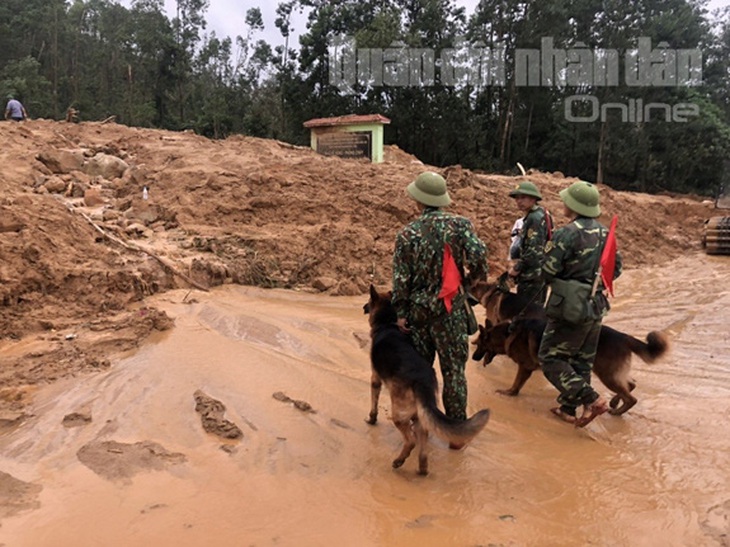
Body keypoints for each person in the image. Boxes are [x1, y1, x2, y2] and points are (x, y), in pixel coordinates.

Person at [392, 171, 488, 427]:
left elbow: (401, 280)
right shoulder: (462, 225)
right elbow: (479, 255)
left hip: (419, 314)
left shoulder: (407, 234)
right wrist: (471, 281)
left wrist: (400, 313)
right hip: (452, 312)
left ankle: (423, 422)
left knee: (421, 371)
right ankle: (457, 432)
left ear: (419, 200)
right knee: (454, 373)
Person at [538, 180, 622, 427]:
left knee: (550, 358)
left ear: (573, 204)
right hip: (595, 305)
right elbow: (615, 269)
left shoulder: (567, 233)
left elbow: (547, 270)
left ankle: (592, 399)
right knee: (581, 359)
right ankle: (570, 409)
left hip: (569, 306)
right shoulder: (606, 234)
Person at [507, 180, 553, 305]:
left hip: (531, 275)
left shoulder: (534, 218)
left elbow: (533, 250)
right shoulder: (542, 213)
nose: (518, 201)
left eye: (523, 197)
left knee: (527, 314)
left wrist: (517, 268)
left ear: (533, 199)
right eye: (517, 198)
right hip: (539, 273)